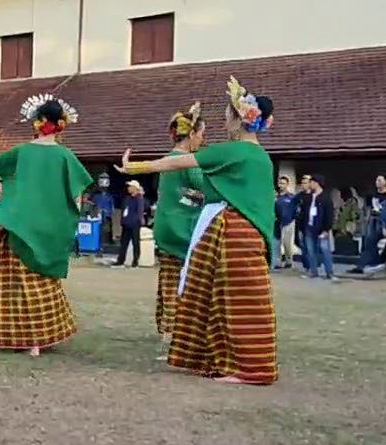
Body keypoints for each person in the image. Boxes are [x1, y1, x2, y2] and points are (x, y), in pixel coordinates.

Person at [118, 77, 277, 385]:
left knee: (230, 302)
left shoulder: (232, 151)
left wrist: (133, 168)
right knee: (246, 300)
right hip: (252, 235)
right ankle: (243, 364)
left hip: (231, 232)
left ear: (239, 119)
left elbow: (175, 163)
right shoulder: (262, 158)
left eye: (228, 115)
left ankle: (249, 370)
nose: (224, 121)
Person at [0, 93, 92, 357]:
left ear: (37, 122)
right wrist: (64, 224)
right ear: (61, 124)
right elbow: (77, 197)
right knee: (44, 283)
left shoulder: (22, 152)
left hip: (21, 228)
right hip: (50, 231)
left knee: (18, 284)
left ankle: (24, 338)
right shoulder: (66, 157)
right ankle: (43, 338)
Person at [153, 103, 206, 336]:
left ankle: (166, 327)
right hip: (182, 229)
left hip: (165, 225)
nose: (202, 141)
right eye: (202, 134)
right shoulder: (189, 163)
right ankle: (180, 330)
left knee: (168, 280)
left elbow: (174, 195)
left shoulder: (167, 161)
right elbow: (203, 193)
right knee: (185, 283)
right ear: (192, 134)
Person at [350, 175, 386, 274]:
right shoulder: (371, 195)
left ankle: (367, 264)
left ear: (385, 182)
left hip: (384, 220)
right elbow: (367, 209)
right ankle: (366, 264)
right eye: (377, 180)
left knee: (371, 240)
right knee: (367, 241)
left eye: (380, 180)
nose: (378, 182)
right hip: (372, 219)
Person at [303, 174, 336, 280]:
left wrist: (327, 229)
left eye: (311, 182)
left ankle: (329, 272)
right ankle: (313, 271)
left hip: (321, 228)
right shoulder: (309, 197)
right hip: (309, 227)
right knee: (310, 250)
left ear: (316, 183)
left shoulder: (326, 198)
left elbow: (329, 214)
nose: (309, 185)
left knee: (325, 249)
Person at [113, 180, 146, 268]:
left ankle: (135, 261)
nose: (128, 188)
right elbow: (124, 210)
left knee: (135, 242)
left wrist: (139, 221)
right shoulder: (127, 198)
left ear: (135, 188)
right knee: (124, 243)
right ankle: (120, 260)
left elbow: (139, 210)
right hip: (126, 223)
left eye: (130, 186)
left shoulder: (139, 198)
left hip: (134, 223)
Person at [274, 176, 297, 269]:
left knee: (287, 243)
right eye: (280, 183)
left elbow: (296, 209)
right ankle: (278, 262)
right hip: (277, 222)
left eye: (283, 183)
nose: (281, 185)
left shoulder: (291, 197)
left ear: (287, 184)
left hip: (288, 222)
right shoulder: (276, 197)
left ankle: (289, 261)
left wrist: (293, 218)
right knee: (277, 243)